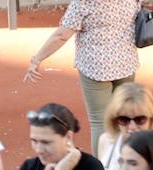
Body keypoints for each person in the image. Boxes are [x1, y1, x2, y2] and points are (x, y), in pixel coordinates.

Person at [25, 0, 141, 153]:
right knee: (124, 117)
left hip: (96, 67)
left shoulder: (84, 3)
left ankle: (102, 169)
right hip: (126, 63)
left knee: (100, 121)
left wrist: (37, 59)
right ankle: (125, 162)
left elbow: (61, 35)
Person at [96, 83, 153, 170]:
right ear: (114, 120)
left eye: (140, 120)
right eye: (123, 120)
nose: (132, 127)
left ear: (151, 119)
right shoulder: (106, 141)